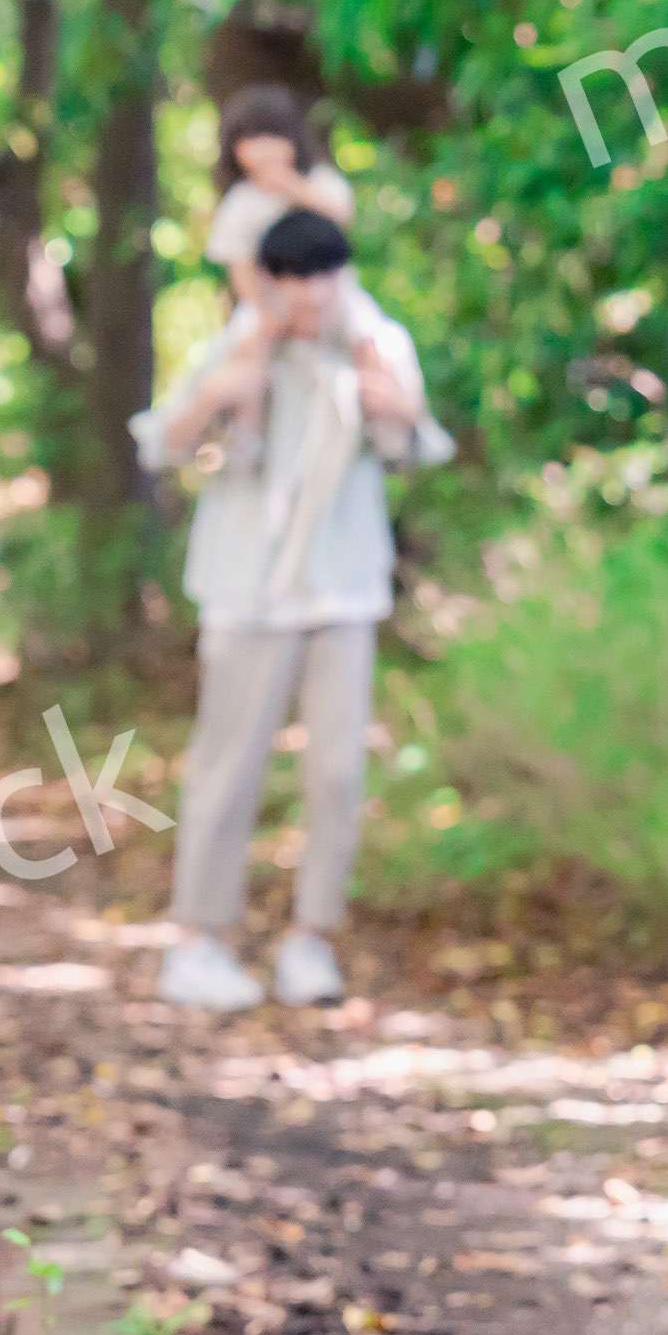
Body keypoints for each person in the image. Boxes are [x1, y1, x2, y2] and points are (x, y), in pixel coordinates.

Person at [132, 206, 451, 1013]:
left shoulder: (376, 343)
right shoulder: (239, 345)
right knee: (228, 765)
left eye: (325, 279)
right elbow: (164, 441)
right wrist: (220, 396)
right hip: (248, 588)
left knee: (338, 771)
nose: (312, 297)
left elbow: (417, 443)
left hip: (343, 582)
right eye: (297, 281)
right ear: (272, 282)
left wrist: (397, 408)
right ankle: (199, 939)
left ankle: (312, 937)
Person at [205, 86, 357, 309]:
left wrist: (294, 188)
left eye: (273, 135)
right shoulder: (241, 201)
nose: (264, 148)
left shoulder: (319, 180)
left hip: (334, 299)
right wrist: (262, 310)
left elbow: (343, 215)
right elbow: (240, 266)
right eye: (251, 138)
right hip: (273, 305)